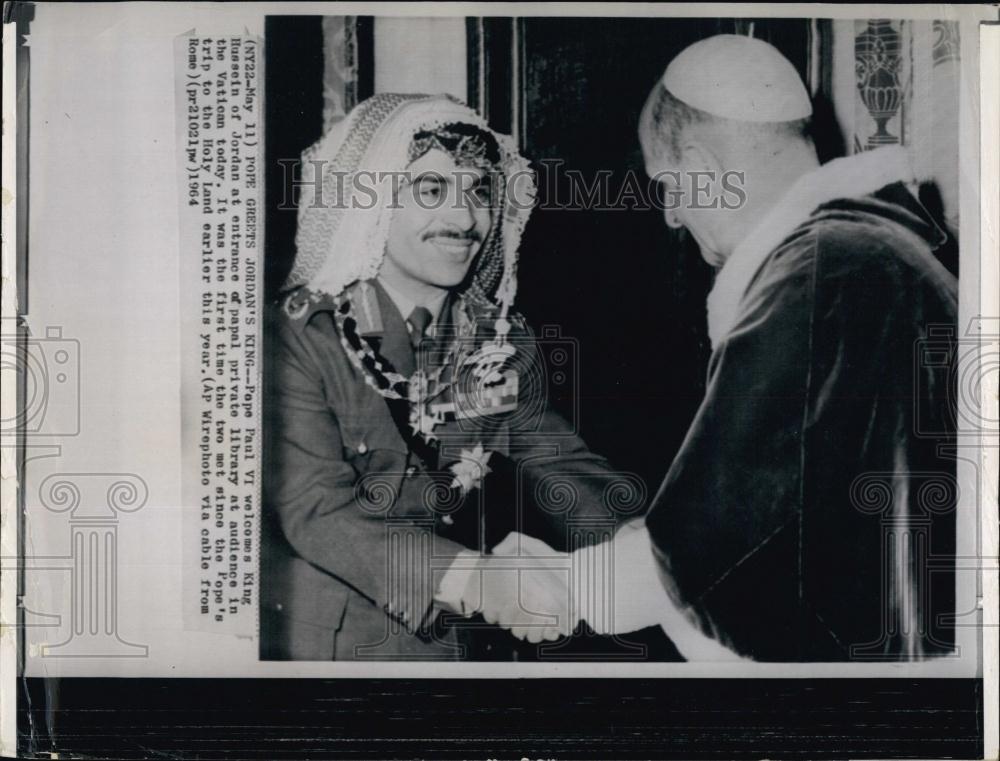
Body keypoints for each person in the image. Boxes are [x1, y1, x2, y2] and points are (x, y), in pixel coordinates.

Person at [505, 34, 958, 661]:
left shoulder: (817, 274)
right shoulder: (877, 252)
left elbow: (713, 542)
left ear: (702, 168)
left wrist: (563, 587)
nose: (669, 214)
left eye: (667, 184)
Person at [262, 93, 631, 661]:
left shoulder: (495, 337)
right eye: (431, 190)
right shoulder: (299, 335)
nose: (465, 219)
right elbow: (317, 512)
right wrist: (477, 580)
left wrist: (650, 552)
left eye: (480, 191)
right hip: (330, 651)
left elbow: (560, 463)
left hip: (455, 643)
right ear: (372, 204)